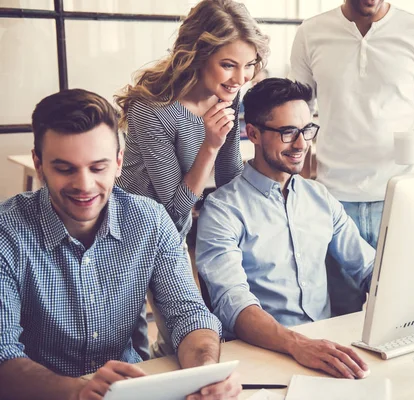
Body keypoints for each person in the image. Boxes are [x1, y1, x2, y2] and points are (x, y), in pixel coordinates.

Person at [0, 89, 240, 400]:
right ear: (39, 164)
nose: (84, 185)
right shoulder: (7, 233)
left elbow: (189, 314)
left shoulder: (148, 220)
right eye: (65, 168)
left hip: (133, 390)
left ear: (118, 161)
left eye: (98, 168)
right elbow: (3, 356)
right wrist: (79, 392)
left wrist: (207, 375)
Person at [114, 0, 269, 357]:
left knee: (188, 337)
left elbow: (230, 179)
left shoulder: (227, 93)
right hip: (132, 231)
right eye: (228, 65)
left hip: (181, 227)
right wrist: (210, 145)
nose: (240, 78)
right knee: (132, 344)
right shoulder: (152, 110)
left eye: (248, 66)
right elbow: (170, 212)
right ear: (198, 54)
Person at [195, 78, 375, 379]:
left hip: (322, 349)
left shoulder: (319, 197)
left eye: (307, 130)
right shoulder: (223, 209)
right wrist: (297, 344)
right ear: (252, 133)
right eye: (288, 132)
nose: (302, 143)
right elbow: (232, 302)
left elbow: (367, 267)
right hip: (260, 357)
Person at [288, 0, 414, 313]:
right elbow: (298, 109)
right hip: (333, 200)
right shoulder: (311, 33)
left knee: (405, 311)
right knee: (339, 315)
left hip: (401, 198)